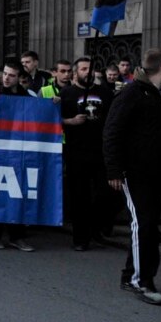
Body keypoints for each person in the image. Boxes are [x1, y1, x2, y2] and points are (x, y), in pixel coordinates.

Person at [104, 49, 161, 306]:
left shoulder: (158, 94)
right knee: (142, 224)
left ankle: (131, 275)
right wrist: (114, 169)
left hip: (156, 172)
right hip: (134, 173)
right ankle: (140, 280)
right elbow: (112, 132)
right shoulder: (131, 94)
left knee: (148, 224)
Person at [60, 56, 118, 251]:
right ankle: (80, 237)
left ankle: (97, 228)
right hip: (77, 151)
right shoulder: (66, 93)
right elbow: (55, 121)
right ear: (76, 72)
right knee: (80, 195)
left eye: (90, 69)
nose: (87, 72)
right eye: (83, 69)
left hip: (100, 151)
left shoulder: (105, 93)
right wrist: (70, 121)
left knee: (104, 193)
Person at [0, 62, 34, 250]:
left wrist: (51, 104)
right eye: (5, 74)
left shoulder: (26, 97)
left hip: (18, 151)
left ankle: (16, 235)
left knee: (18, 192)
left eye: (11, 75)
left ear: (19, 78)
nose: (6, 78)